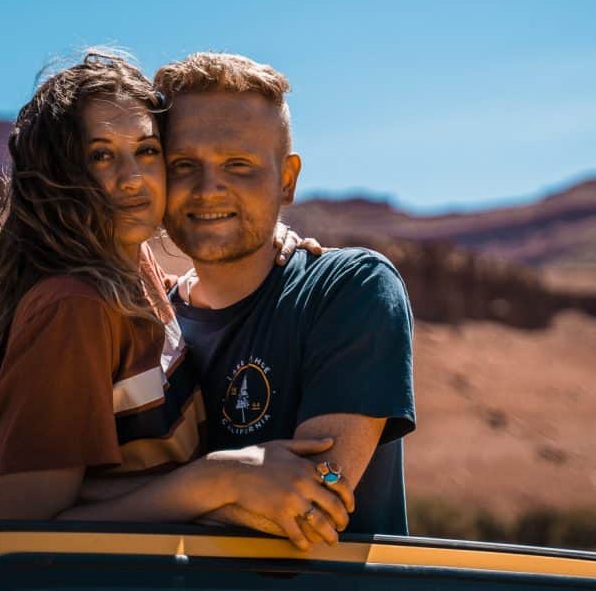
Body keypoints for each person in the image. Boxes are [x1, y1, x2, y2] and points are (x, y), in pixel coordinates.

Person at [0, 52, 354, 549]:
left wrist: (275, 239)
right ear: (59, 173)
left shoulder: (144, 280)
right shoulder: (72, 306)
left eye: (147, 150)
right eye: (100, 155)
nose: (132, 178)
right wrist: (220, 480)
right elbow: (22, 533)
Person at [154, 52, 416, 539]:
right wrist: (225, 479)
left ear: (287, 180)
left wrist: (88, 516)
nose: (209, 188)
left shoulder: (348, 290)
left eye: (239, 164)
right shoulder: (145, 324)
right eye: (184, 164)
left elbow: (312, 507)